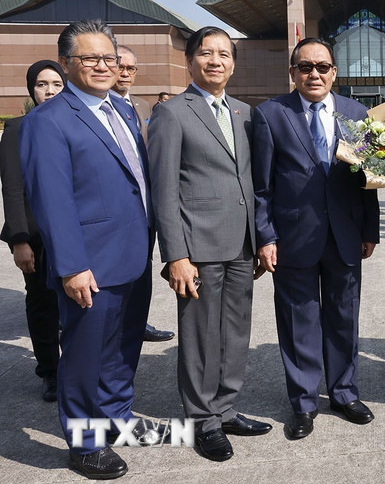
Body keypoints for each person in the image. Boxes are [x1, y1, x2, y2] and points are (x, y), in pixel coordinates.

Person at [20, 20, 156, 478]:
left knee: (123, 347)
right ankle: (84, 444)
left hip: (134, 254)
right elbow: (52, 201)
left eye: (109, 58)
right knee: (83, 355)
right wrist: (72, 266)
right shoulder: (48, 121)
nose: (103, 66)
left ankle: (118, 417)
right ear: (66, 63)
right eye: (89, 58)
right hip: (90, 264)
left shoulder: (120, 108)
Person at [149, 26, 272, 462]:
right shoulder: (172, 113)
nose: (215, 61)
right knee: (200, 335)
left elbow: (252, 182)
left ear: (233, 63)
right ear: (189, 60)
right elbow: (163, 191)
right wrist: (176, 256)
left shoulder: (243, 112)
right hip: (197, 247)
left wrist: (262, 238)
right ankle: (201, 420)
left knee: (236, 331)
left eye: (224, 54)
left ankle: (226, 407)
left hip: (241, 244)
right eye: (206, 53)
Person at [252, 38, 380, 438]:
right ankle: (304, 402)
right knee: (298, 321)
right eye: (305, 67)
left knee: (344, 317)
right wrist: (265, 235)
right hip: (293, 237)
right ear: (292, 73)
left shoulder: (357, 114)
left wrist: (370, 230)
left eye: (322, 67)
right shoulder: (270, 115)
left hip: (345, 235)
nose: (315, 74)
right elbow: (261, 187)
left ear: (334, 73)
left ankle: (343, 392)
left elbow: (368, 180)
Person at [1, 60, 64, 402]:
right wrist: (19, 239)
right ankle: (50, 371)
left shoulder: (75, 124)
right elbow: (12, 188)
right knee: (42, 304)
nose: (50, 91)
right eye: (42, 84)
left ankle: (75, 367)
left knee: (77, 302)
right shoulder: (17, 128)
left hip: (74, 232)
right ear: (31, 89)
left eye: (56, 84)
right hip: (36, 236)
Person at [113, 46, 175, 343]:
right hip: (113, 213)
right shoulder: (97, 107)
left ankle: (138, 322)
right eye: (119, 65)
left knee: (142, 270)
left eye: (130, 68)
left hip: (145, 211)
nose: (124, 73)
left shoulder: (144, 107)